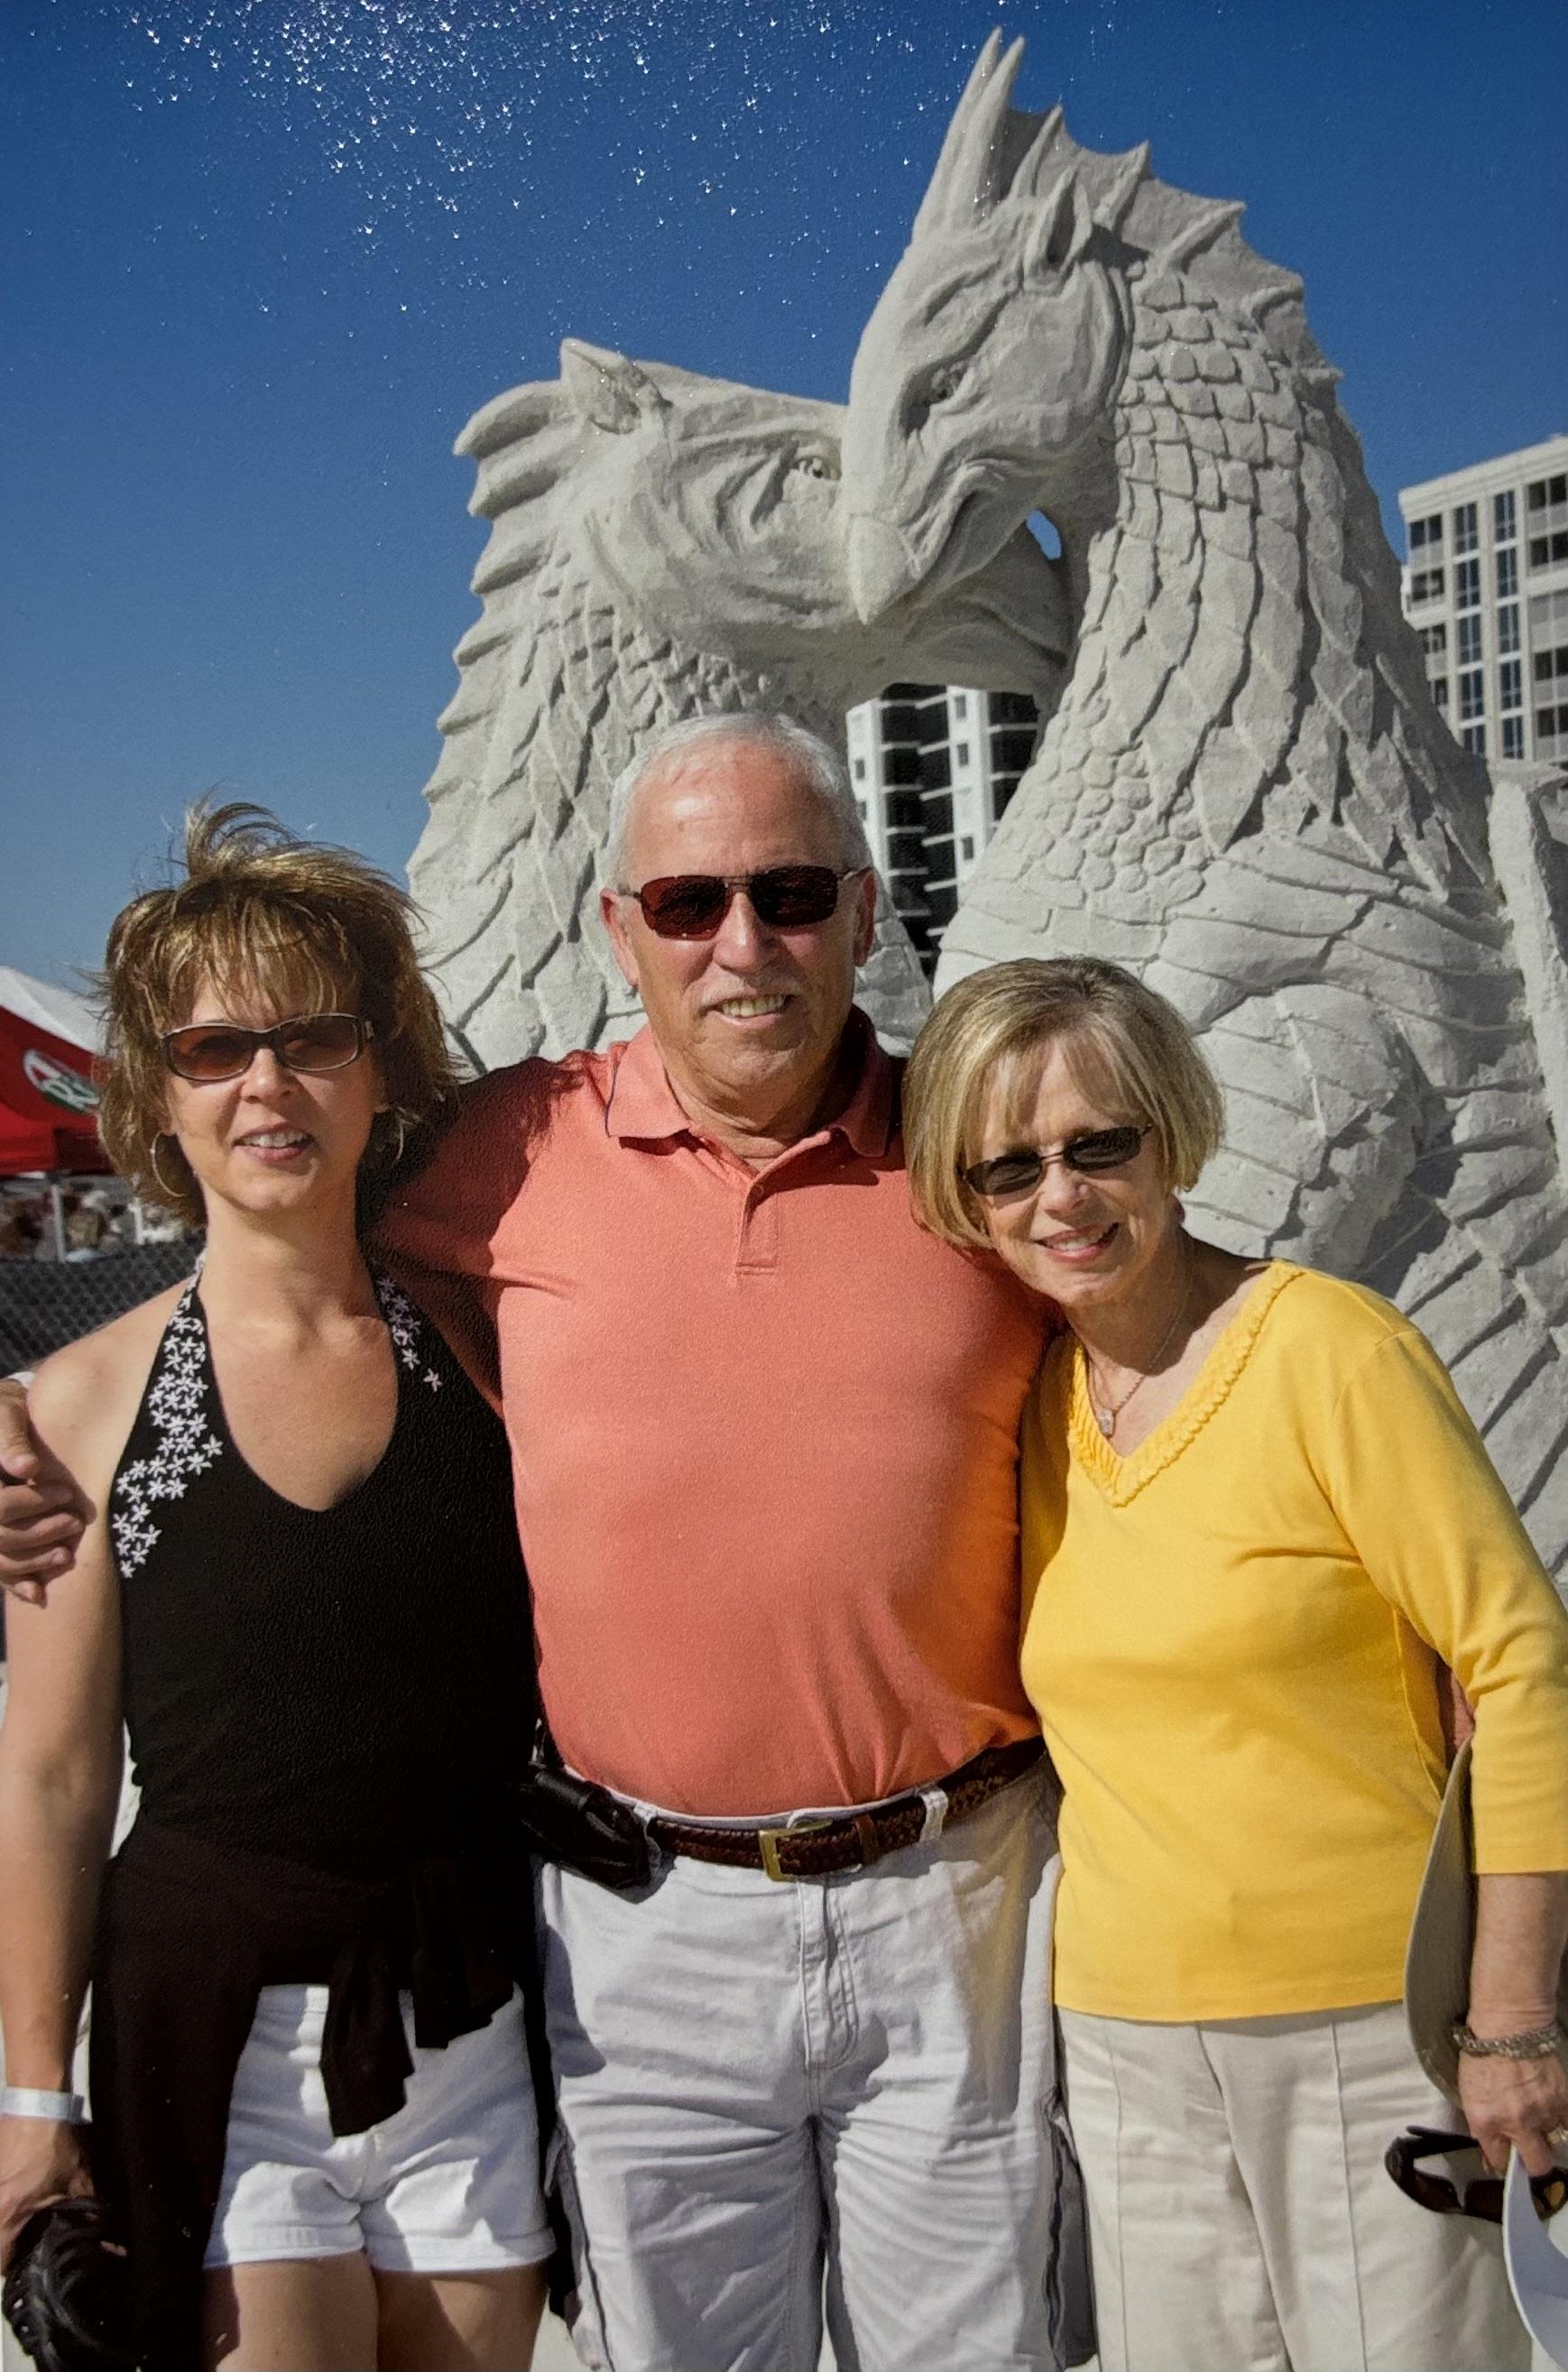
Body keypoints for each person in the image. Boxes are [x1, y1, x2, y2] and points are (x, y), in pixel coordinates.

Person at [0, 715, 1060, 2372]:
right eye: (689, 899)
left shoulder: (972, 1159)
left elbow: (1175, 1323)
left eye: (785, 892)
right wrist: (26, 2093)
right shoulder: (480, 1174)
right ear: (618, 928)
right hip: (560, 1951)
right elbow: (56, 1766)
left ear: (861, 908)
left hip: (879, 1923)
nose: (740, 942)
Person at [903, 954, 1568, 2372]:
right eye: (1007, 1168)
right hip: (1127, 2037)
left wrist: (1511, 2021)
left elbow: (1520, 1664)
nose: (1061, 1198)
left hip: (1370, 2027)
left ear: (1172, 1132)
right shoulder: (1030, 1405)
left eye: (1099, 1145)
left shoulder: (1328, 1349)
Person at [0, 807, 551, 2372]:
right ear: (154, 1090)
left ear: (378, 1069)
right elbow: (48, 1773)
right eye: (216, 1045)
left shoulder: (489, 1349)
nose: (267, 1082)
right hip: (212, 2036)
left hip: (472, 2009)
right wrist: (32, 2098)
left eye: (312, 1036)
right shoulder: (82, 1405)